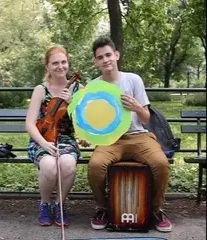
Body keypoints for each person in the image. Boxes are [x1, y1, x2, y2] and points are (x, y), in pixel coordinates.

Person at [87, 37, 172, 232]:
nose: (105, 60)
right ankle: (102, 208)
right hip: (110, 140)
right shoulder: (93, 86)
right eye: (100, 57)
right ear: (96, 61)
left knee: (161, 164)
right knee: (95, 166)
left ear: (116, 55)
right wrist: (88, 135)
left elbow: (145, 119)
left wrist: (136, 107)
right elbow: (93, 121)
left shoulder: (133, 79)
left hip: (139, 137)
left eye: (108, 55)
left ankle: (155, 210)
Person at [25, 46, 83, 227]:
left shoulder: (79, 89)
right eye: (55, 63)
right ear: (47, 67)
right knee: (49, 166)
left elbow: (84, 122)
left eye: (63, 62)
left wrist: (72, 103)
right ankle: (44, 203)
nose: (60, 66)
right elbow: (29, 124)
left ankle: (59, 203)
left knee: (67, 164)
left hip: (66, 139)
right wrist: (43, 144)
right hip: (41, 138)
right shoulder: (41, 90)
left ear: (68, 63)